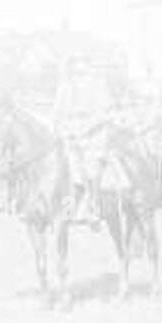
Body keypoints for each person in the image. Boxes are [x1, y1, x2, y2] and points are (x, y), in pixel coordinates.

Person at [53, 53, 115, 228]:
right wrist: (64, 132)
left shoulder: (99, 86)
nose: (79, 74)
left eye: (83, 70)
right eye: (75, 70)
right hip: (70, 135)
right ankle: (68, 212)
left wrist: (86, 131)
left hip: (94, 135)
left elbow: (104, 114)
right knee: (67, 174)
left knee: (91, 170)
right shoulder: (64, 87)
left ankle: (94, 210)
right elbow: (57, 114)